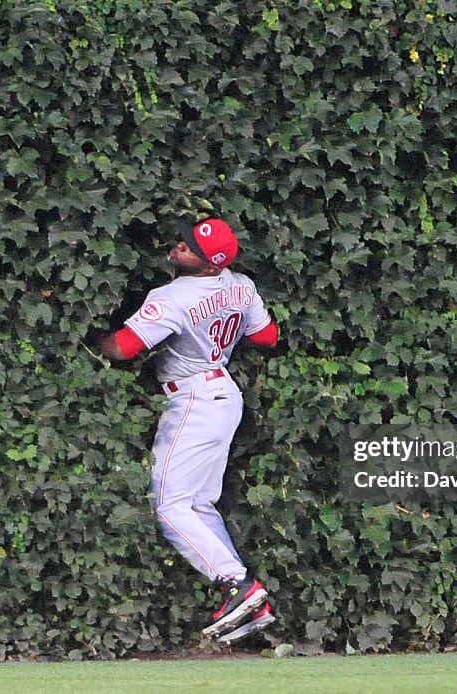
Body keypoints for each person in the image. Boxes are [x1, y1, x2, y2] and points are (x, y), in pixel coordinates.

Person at [98, 217, 279, 644]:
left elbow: (125, 347)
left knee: (170, 507)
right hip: (223, 394)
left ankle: (238, 585)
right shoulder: (241, 285)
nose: (178, 246)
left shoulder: (173, 296)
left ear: (204, 263)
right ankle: (252, 611)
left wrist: (93, 344)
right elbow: (268, 336)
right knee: (198, 504)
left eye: (187, 246)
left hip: (194, 399)